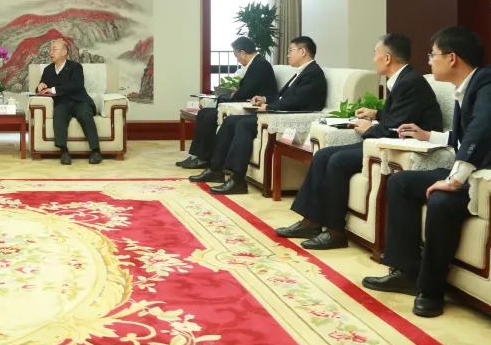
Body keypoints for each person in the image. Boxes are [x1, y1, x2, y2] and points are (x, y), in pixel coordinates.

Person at [361, 27, 491, 317]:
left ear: (452, 58)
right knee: (401, 183)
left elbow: (483, 128)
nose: (428, 61)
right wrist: (429, 136)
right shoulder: (467, 87)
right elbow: (464, 137)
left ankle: (430, 290)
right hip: (478, 171)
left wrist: (454, 179)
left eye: (432, 55)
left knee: (441, 200)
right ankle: (405, 271)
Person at [276, 34, 442, 249]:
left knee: (337, 161)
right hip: (387, 138)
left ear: (387, 58)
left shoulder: (410, 83)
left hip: (405, 145)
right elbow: (398, 116)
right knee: (324, 154)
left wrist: (369, 128)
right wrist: (376, 114)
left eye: (375, 53)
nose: (373, 59)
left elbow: (396, 129)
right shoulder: (403, 79)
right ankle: (311, 221)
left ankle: (335, 232)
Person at [200, 36, 327, 195]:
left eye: (290, 51)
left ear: (303, 52)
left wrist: (269, 106)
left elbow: (297, 101)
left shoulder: (313, 73)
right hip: (278, 113)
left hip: (290, 119)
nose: (287, 55)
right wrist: (265, 99)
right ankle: (216, 169)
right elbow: (283, 98)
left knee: (243, 124)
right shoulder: (302, 72)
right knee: (230, 121)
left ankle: (237, 180)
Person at [178, 36, 278, 172]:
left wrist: (230, 96)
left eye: (236, 55)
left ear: (243, 52)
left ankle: (203, 159)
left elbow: (245, 92)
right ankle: (200, 157)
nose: (237, 59)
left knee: (209, 115)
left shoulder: (260, 65)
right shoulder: (257, 63)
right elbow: (246, 89)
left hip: (251, 108)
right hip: (245, 103)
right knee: (204, 113)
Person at [36, 38, 102, 165]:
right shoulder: (48, 70)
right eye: (50, 50)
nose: (51, 52)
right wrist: (41, 86)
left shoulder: (75, 67)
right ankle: (64, 151)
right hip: (62, 103)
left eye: (54, 49)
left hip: (80, 101)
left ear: (64, 52)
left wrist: (53, 89)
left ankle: (95, 151)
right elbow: (41, 88)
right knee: (59, 114)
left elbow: (76, 85)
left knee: (84, 114)